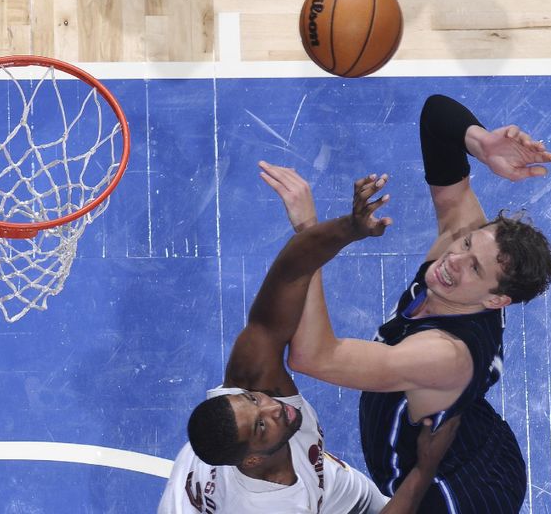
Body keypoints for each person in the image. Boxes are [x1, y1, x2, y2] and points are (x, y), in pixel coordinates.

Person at [285, 94, 551, 513]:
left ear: (495, 299)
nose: (453, 261)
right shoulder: (464, 262)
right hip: (478, 442)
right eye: (466, 243)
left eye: (473, 267)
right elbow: (436, 114)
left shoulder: (440, 355)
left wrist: (309, 233)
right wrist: (481, 142)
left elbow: (311, 356)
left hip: (453, 496)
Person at [158, 163, 460, 514]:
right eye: (260, 425)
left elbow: (287, 279)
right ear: (253, 459)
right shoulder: (271, 507)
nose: (273, 406)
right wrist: (424, 467)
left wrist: (345, 228)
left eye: (254, 401)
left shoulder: (254, 386)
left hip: (331, 495)